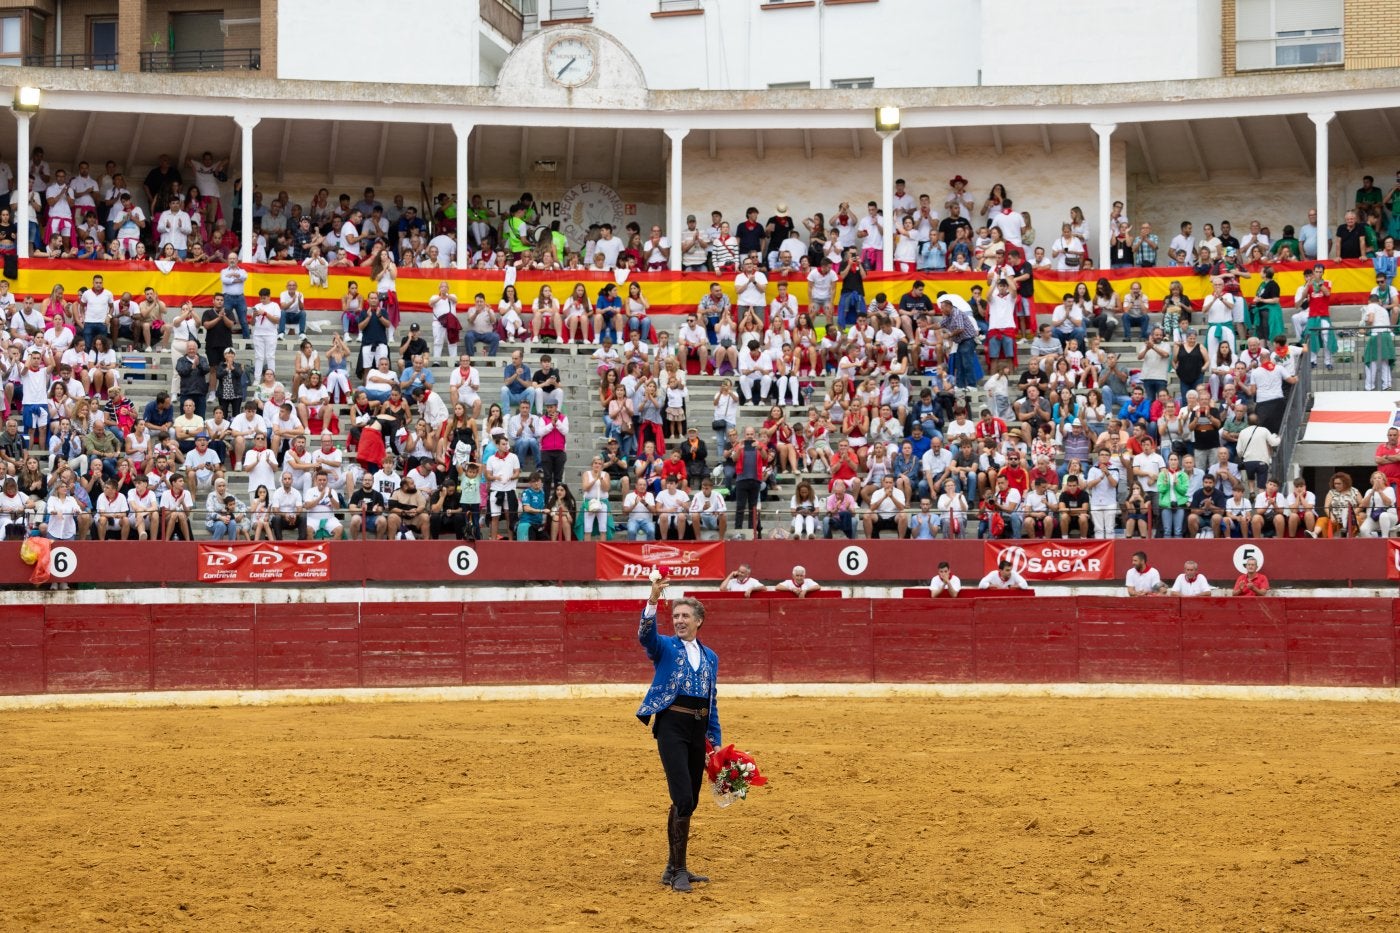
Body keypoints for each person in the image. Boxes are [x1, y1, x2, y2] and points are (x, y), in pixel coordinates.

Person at [635, 574, 720, 894]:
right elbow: (646, 636)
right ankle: (680, 870)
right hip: (671, 726)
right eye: (676, 616)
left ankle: (672, 867)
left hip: (698, 728)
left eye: (685, 616)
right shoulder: (665, 647)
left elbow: (712, 700)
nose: (679, 620)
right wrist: (653, 600)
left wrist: (715, 741)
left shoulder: (710, 657)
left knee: (691, 800)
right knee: (682, 796)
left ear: (699, 621)